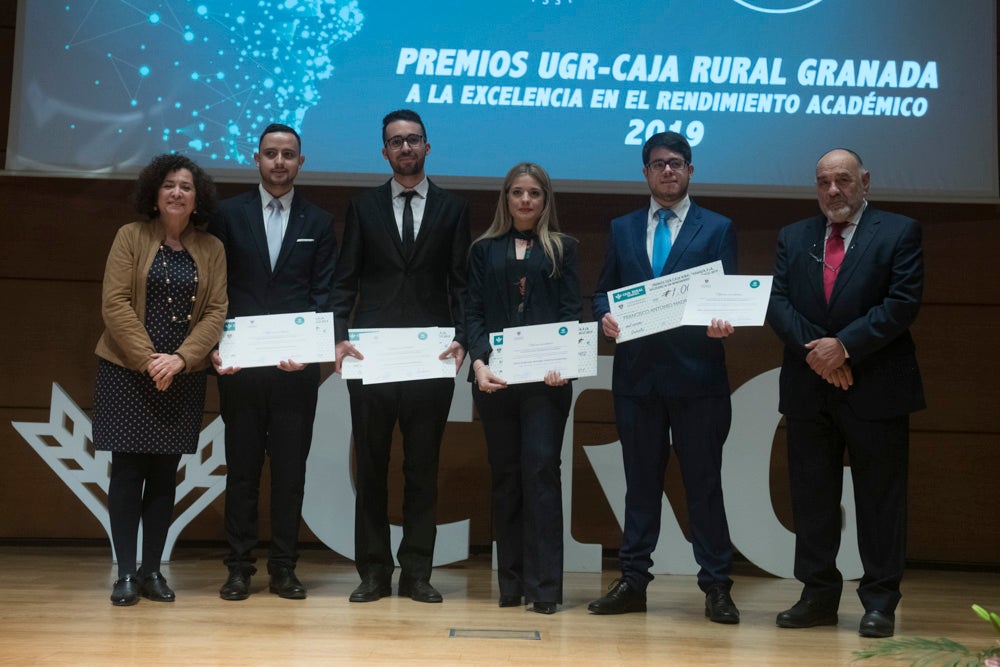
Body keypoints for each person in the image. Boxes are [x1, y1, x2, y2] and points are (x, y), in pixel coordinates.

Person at [768, 149, 924, 639]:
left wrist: (845, 348)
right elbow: (777, 302)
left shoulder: (899, 232)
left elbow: (901, 304)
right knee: (812, 499)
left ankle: (879, 602)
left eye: (842, 180)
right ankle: (817, 596)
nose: (833, 190)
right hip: (809, 388)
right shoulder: (793, 237)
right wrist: (822, 354)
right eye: (823, 182)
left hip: (876, 386)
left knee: (880, 500)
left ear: (865, 182)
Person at [588, 131, 740, 624]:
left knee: (705, 488)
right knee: (640, 487)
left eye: (676, 163)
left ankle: (717, 586)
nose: (668, 171)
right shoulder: (622, 228)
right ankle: (633, 582)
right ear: (646, 172)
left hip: (699, 380)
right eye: (658, 164)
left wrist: (724, 322)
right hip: (637, 382)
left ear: (691, 170)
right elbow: (601, 295)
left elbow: (727, 299)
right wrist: (605, 318)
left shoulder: (717, 228)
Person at [332, 109, 470, 604]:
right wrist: (338, 335)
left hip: (430, 359)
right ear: (384, 151)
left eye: (414, 140)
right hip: (371, 357)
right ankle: (372, 572)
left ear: (428, 148)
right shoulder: (363, 206)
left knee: (422, 467)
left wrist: (464, 340)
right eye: (396, 141)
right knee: (369, 466)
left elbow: (461, 283)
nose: (406, 148)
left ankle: (416, 573)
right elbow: (345, 278)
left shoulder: (453, 208)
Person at [208, 123, 337, 601]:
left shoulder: (319, 222)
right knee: (241, 471)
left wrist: (312, 353)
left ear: (301, 162)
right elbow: (215, 289)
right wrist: (217, 347)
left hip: (295, 373)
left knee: (289, 472)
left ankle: (283, 567)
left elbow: (323, 295)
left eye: (288, 155)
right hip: (239, 370)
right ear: (256, 159)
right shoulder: (226, 215)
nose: (279, 162)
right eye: (271, 154)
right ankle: (239, 567)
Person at [93, 154, 228, 606]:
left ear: (197, 199)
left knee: (166, 477)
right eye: (169, 184)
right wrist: (152, 360)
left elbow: (216, 313)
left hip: (183, 374)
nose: (176, 192)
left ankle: (153, 572)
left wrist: (182, 360)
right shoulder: (129, 237)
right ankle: (126, 574)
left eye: (186, 187)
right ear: (154, 193)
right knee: (128, 473)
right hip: (128, 371)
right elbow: (114, 304)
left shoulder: (212, 248)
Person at [465, 163, 580, 615]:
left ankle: (546, 587)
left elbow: (572, 311)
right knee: (506, 479)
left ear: (546, 199)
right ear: (505, 198)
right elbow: (472, 312)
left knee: (541, 475)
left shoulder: (564, 248)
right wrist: (477, 363)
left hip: (547, 384)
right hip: (495, 381)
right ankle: (510, 585)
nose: (526, 200)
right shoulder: (482, 250)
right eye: (518, 192)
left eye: (534, 193)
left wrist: (564, 364)